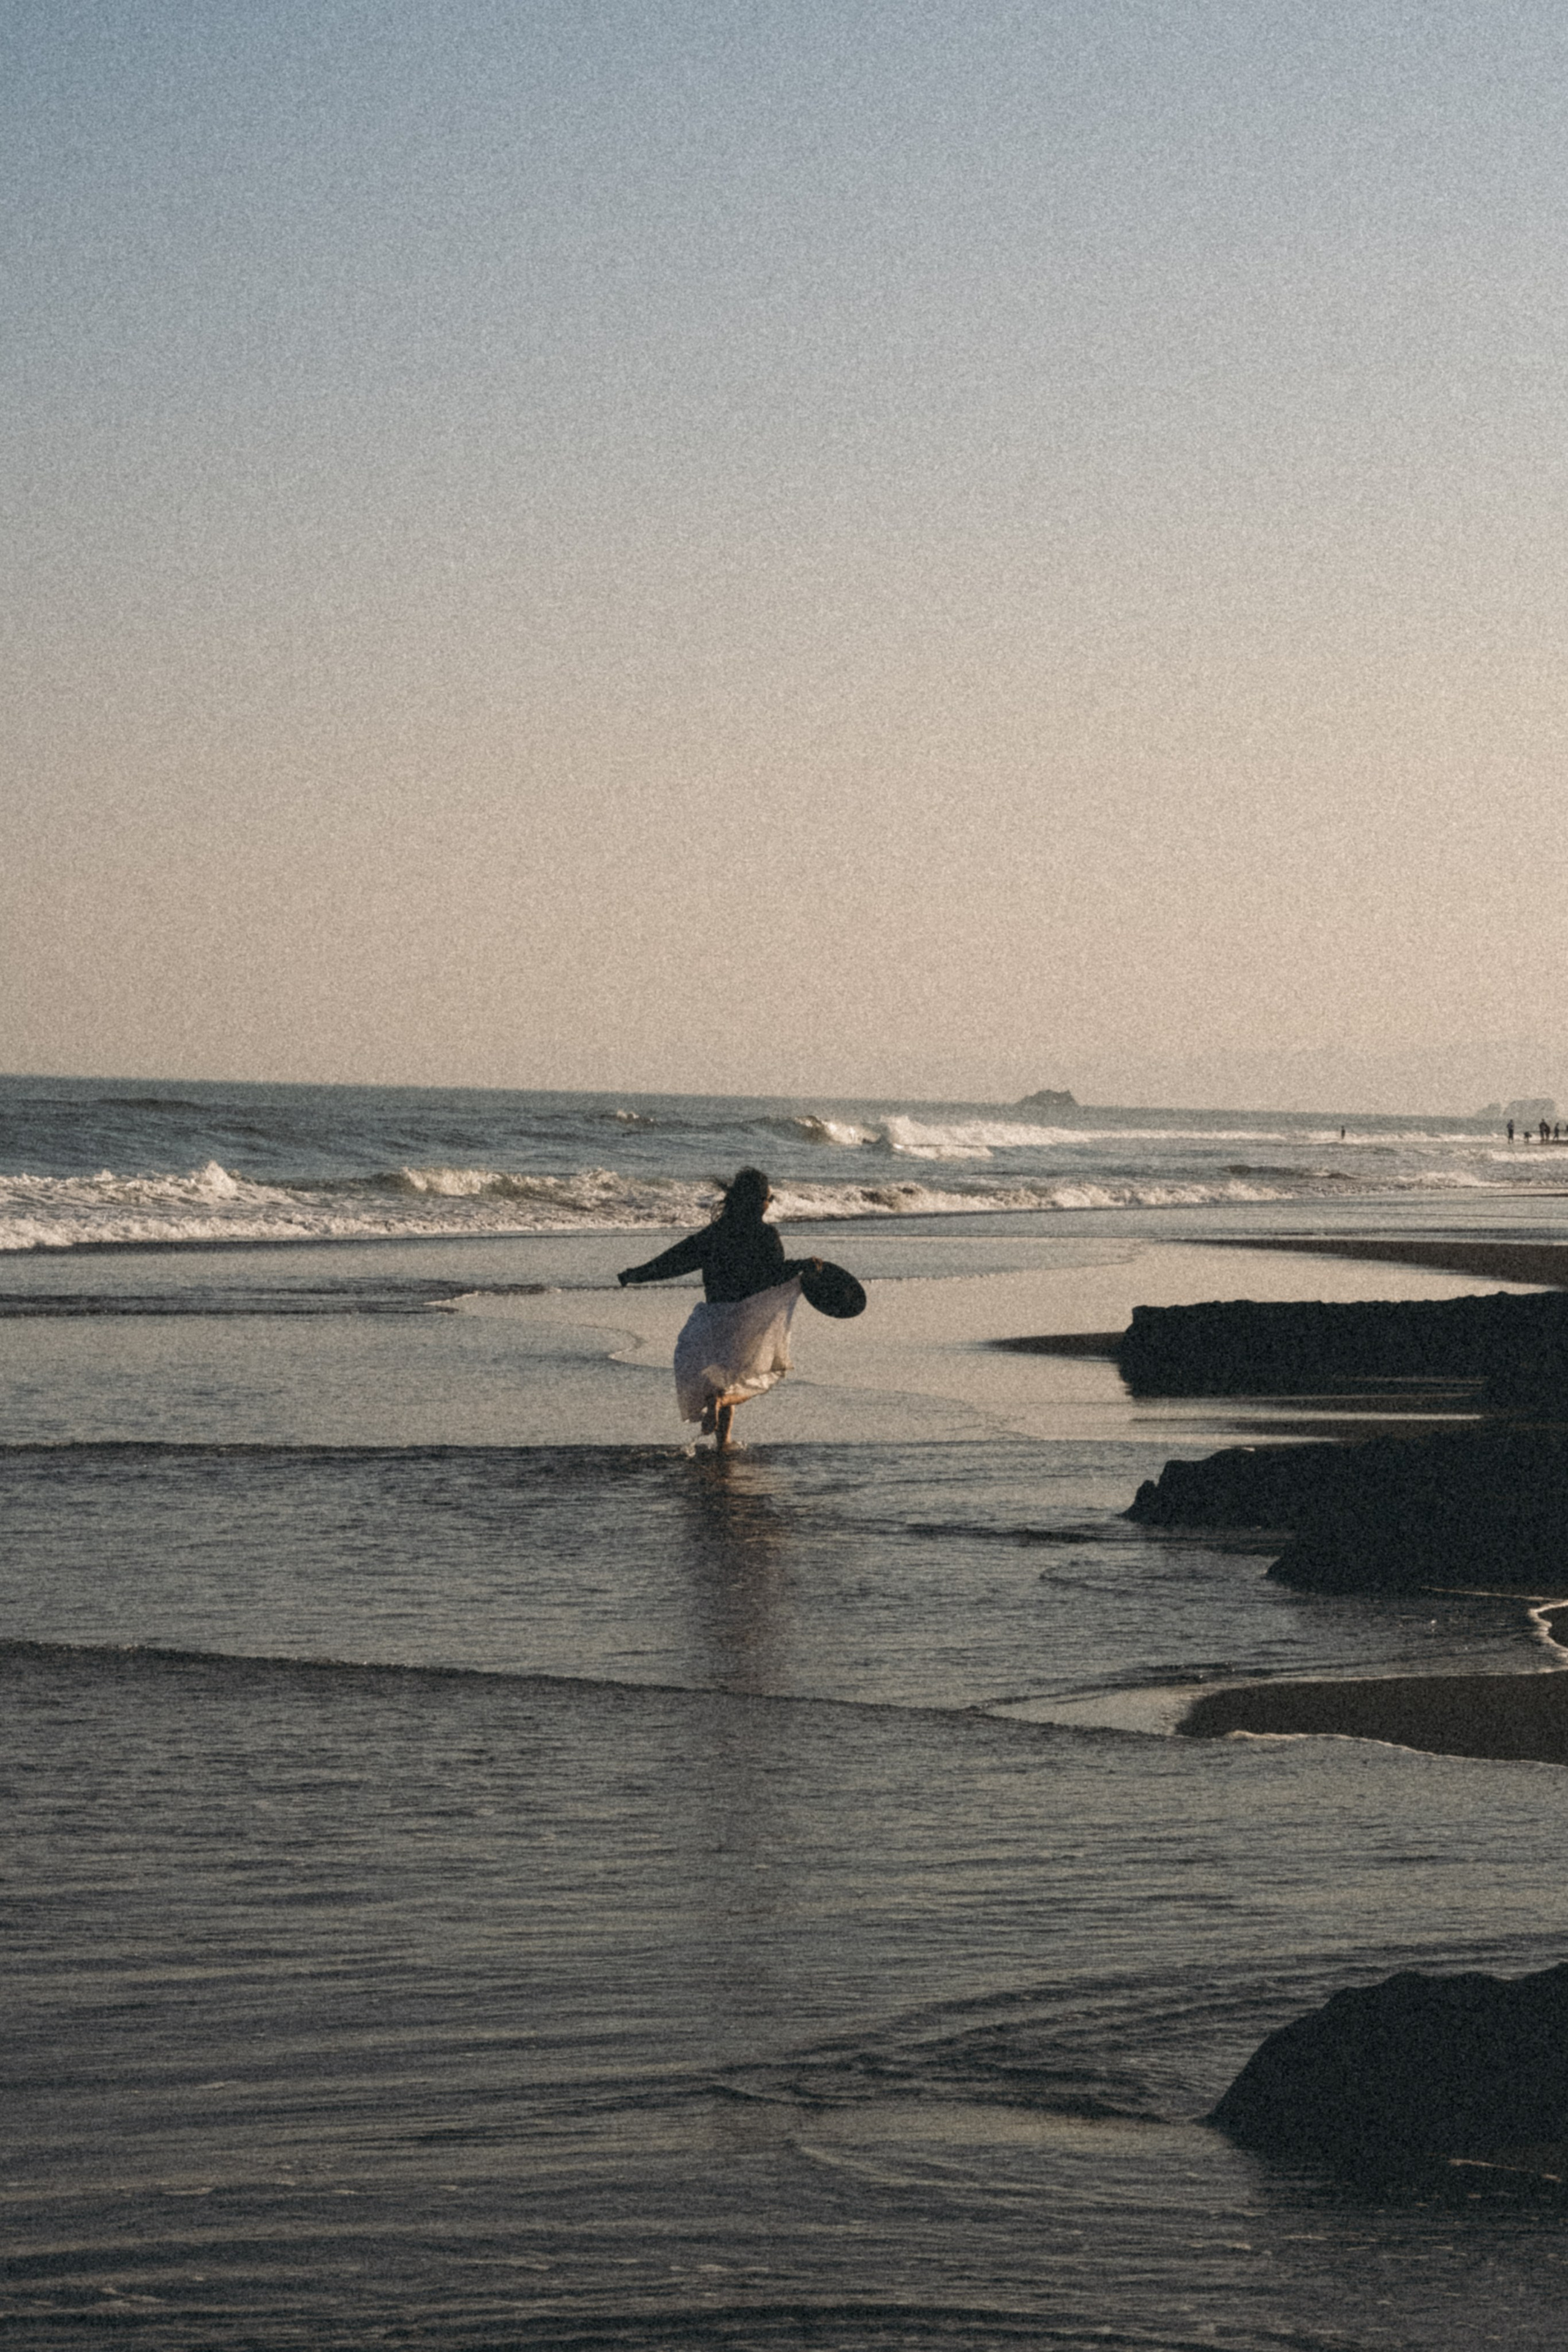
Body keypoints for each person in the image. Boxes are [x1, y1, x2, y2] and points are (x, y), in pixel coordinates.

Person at [618, 1169, 813, 1449]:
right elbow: (772, 1275)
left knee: (722, 1379)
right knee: (749, 1380)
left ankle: (724, 1443)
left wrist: (637, 1274)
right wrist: (802, 1266)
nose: (770, 1203)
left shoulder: (715, 1234)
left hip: (711, 1320)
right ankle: (721, 1405)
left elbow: (675, 1261)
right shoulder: (766, 1235)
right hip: (746, 1319)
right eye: (769, 1198)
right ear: (759, 1201)